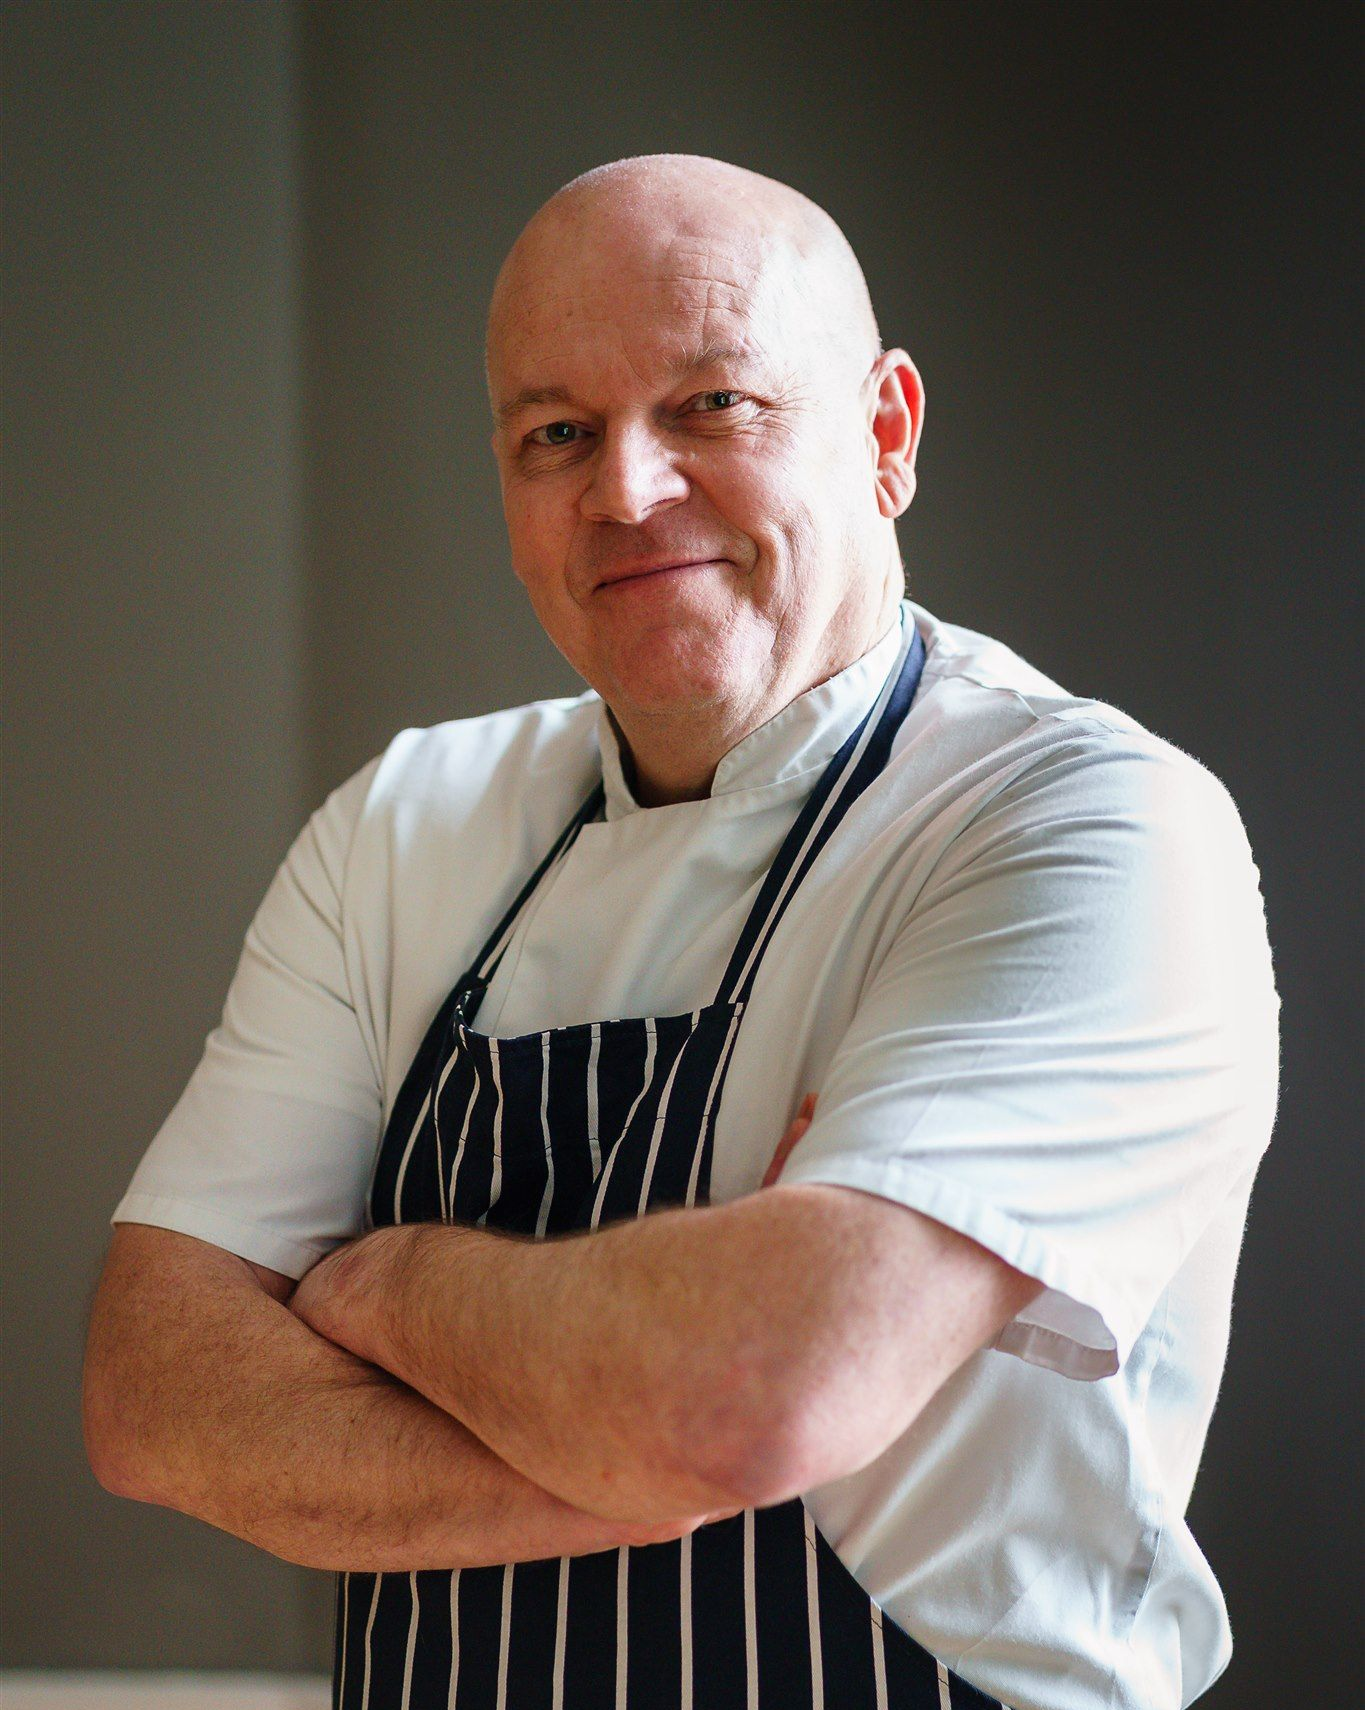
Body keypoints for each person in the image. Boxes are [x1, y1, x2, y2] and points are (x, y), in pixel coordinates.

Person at [82, 154, 1279, 1710]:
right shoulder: (405, 822)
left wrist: (382, 1290)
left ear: (887, 433)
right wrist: (662, 1400)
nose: (626, 490)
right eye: (556, 433)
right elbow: (153, 1397)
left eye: (713, 404)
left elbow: (756, 1397)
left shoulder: (1084, 824)